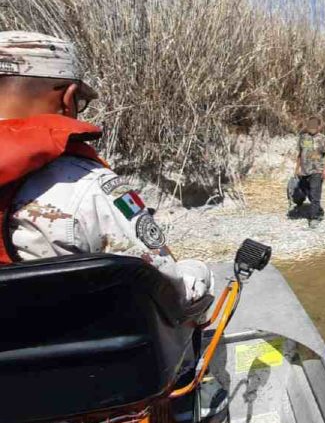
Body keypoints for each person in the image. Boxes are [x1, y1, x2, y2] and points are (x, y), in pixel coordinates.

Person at [0, 31, 212, 303]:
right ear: (68, 98)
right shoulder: (85, 187)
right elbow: (167, 289)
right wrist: (197, 271)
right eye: (81, 103)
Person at [292, 115, 325, 228]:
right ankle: (319, 210)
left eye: (315, 125)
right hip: (304, 171)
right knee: (306, 193)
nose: (312, 127)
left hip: (317, 171)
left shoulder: (323, 139)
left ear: (319, 126)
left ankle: (314, 218)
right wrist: (297, 168)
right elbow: (300, 154)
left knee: (315, 194)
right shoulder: (303, 138)